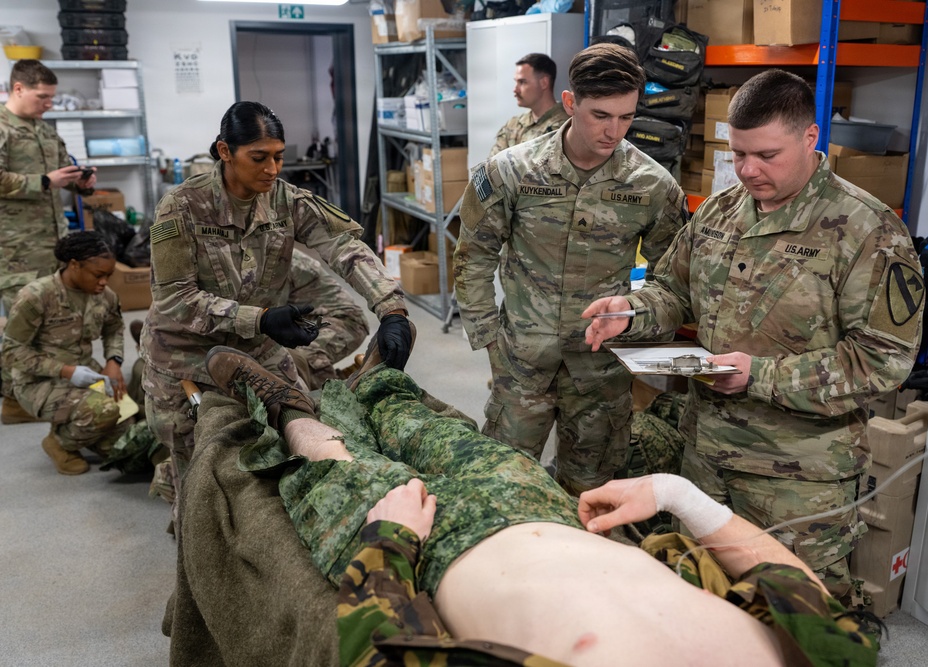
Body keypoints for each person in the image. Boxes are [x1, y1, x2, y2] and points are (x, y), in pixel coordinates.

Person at [200, 344, 879, 666]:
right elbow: (793, 582)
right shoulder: (831, 660)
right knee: (434, 425)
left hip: (437, 549)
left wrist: (389, 543)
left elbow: (385, 657)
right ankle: (369, 375)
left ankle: (284, 399)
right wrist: (675, 493)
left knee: (331, 464)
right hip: (539, 507)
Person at [582, 69, 925, 599]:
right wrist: (631, 312)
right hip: (705, 455)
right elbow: (673, 290)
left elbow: (882, 361)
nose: (747, 170)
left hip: (798, 478)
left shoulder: (868, 230)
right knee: (704, 600)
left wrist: (759, 377)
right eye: (738, 154)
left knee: (799, 616)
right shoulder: (720, 212)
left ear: (811, 139)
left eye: (767, 155)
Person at [140, 101, 412, 516]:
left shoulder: (288, 200)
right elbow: (176, 299)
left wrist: (390, 309)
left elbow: (344, 249)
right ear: (225, 151)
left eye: (279, 157)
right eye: (259, 157)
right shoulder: (182, 206)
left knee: (297, 441)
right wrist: (261, 317)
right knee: (200, 481)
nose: (272, 169)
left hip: (259, 350)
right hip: (187, 355)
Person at [454, 43, 687, 494]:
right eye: (600, 115)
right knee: (502, 486)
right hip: (522, 361)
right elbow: (473, 255)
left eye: (626, 117)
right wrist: (488, 339)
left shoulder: (653, 185)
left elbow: (672, 282)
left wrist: (634, 315)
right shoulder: (511, 172)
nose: (613, 131)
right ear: (569, 103)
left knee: (591, 493)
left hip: (600, 372)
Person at [0, 59, 98, 422]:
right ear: (18, 88)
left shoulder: (45, 130)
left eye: (52, 97)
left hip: (52, 243)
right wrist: (44, 180)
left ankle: (46, 391)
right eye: (43, 96)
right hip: (14, 249)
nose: (49, 104)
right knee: (20, 327)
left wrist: (80, 181)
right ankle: (12, 400)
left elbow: (61, 175)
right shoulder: (3, 127)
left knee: (52, 323)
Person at [1, 232, 132, 475]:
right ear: (74, 265)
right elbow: (9, 352)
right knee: (106, 411)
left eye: (108, 275)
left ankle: (84, 429)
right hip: (38, 382)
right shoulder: (36, 296)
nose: (104, 282)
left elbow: (114, 328)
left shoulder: (104, 296)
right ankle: (58, 443)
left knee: (123, 441)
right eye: (98, 274)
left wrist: (114, 361)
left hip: (87, 373)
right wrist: (65, 370)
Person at [285, 247, 369, 390]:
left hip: (343, 321)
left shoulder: (278, 260)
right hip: (303, 321)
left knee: (300, 357)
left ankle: (334, 398)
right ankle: (345, 378)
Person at [489, 53, 569, 158]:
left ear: (544, 83)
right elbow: (492, 166)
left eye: (522, 82)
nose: (515, 89)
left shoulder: (565, 127)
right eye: (516, 82)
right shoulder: (514, 124)